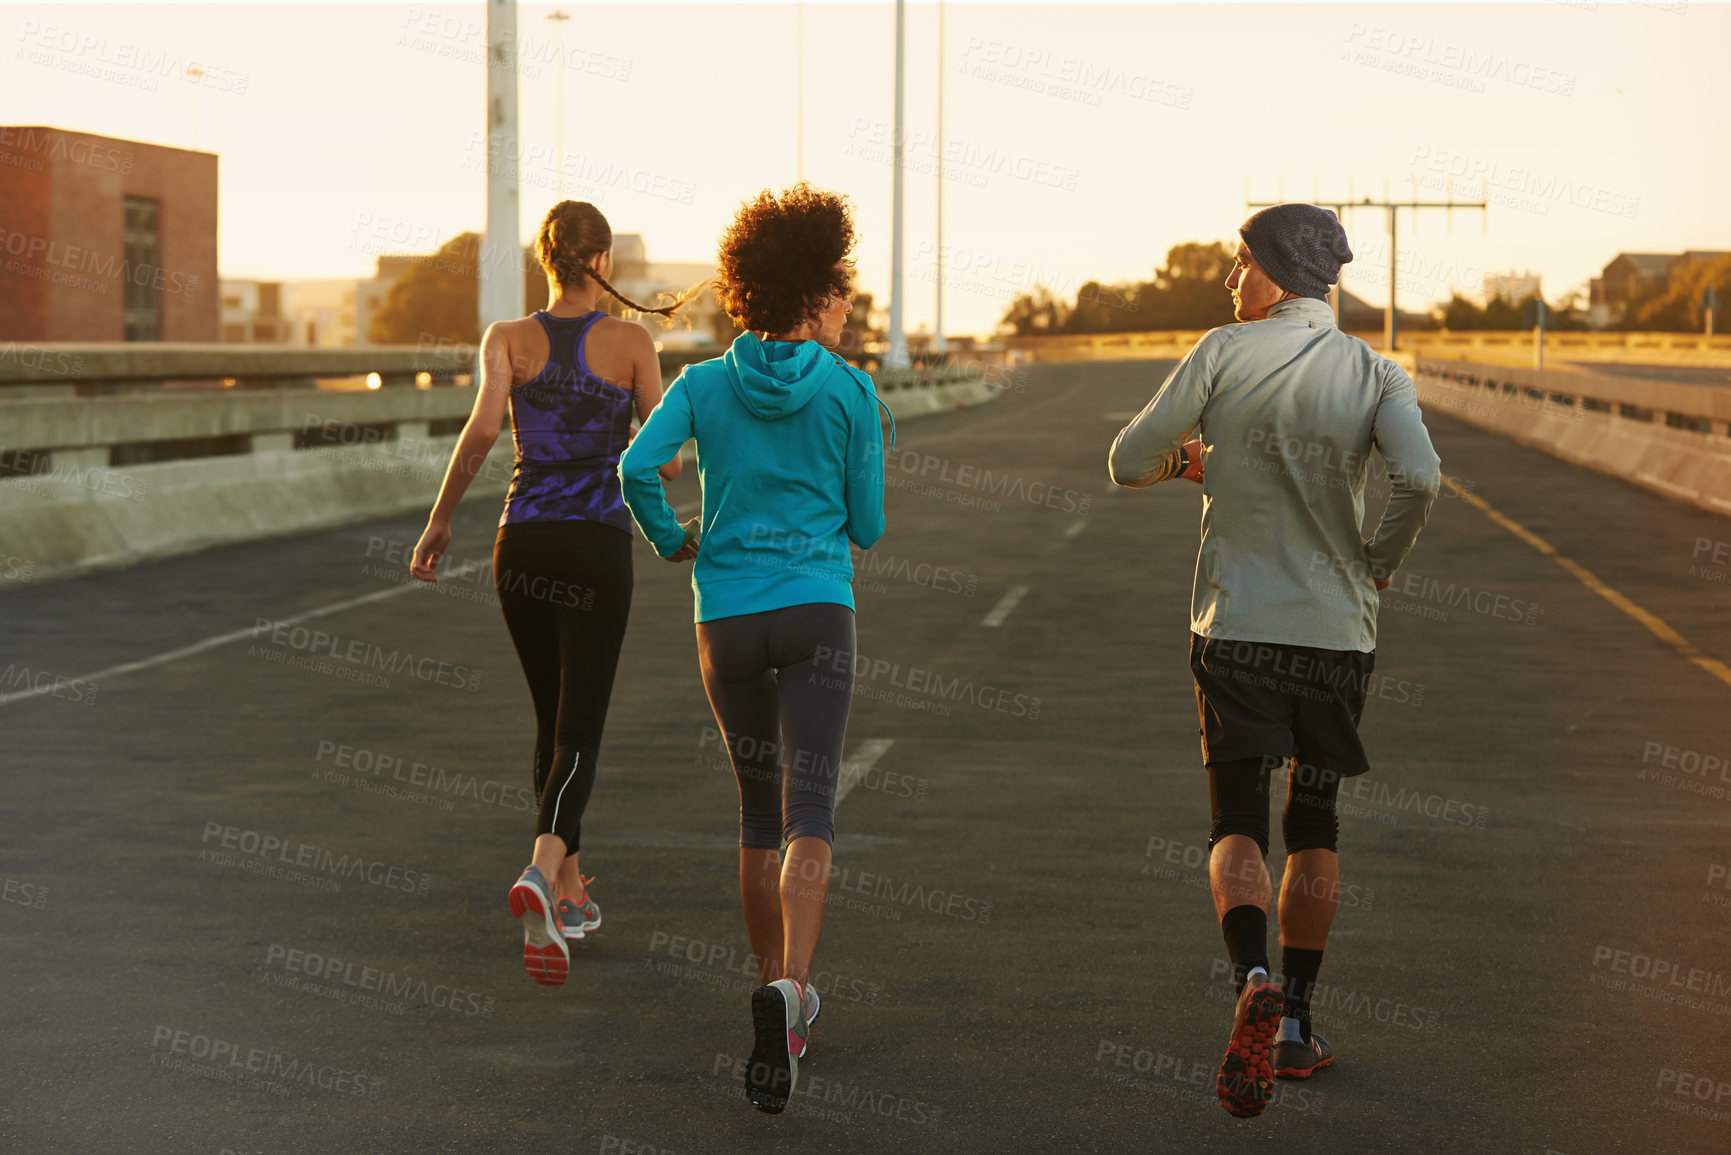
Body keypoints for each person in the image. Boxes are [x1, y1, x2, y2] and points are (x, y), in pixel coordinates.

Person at [1107, 203, 1441, 1118]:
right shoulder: (1376, 371)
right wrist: (1375, 563)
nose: (1229, 281)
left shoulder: (1221, 351)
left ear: (1274, 270)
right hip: (1337, 630)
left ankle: (1249, 974)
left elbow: (1124, 459)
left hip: (1237, 624)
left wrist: (1188, 463)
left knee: (1237, 820)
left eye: (1238, 263)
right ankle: (1293, 1022)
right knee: (1318, 822)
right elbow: (1420, 478)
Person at [619, 183, 891, 1115]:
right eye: (844, 292)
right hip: (817, 603)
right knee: (811, 800)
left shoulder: (699, 383)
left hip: (724, 613)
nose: (850, 308)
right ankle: (793, 993)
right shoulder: (852, 389)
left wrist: (671, 536)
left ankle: (767, 975)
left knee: (754, 809)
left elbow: (631, 467)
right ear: (814, 293)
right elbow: (870, 521)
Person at [409, 200, 695, 987]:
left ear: (547, 261)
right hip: (596, 543)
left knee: (552, 721)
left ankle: (568, 894)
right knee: (582, 729)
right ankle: (540, 870)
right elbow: (663, 462)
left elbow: (478, 436)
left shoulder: (505, 339)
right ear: (600, 260)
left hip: (520, 542)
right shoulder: (633, 340)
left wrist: (437, 524)